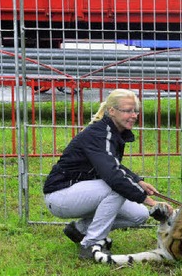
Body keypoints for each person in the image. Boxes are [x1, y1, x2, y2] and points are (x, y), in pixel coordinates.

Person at [42, 89, 172, 259]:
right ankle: (90, 245)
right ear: (112, 111)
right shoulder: (99, 134)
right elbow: (113, 176)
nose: (133, 115)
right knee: (116, 188)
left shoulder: (112, 132)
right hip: (59, 196)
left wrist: (138, 181)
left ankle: (80, 230)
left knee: (139, 215)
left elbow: (112, 164)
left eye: (135, 111)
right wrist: (150, 201)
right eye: (127, 110)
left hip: (81, 192)